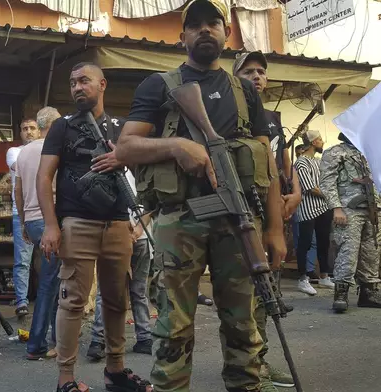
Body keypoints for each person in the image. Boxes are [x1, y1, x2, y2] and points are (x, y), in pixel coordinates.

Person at [115, 0, 287, 390]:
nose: (205, 30)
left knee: (244, 320)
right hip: (180, 218)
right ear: (182, 38)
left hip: (240, 218)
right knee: (173, 324)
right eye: (195, 25)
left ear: (227, 33)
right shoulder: (158, 85)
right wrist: (177, 145)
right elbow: (125, 147)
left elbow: (268, 165)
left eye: (213, 23)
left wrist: (275, 230)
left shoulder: (245, 90)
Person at [38, 62, 152, 392]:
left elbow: (144, 173)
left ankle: (115, 371)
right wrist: (50, 225)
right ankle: (66, 379)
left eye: (84, 81)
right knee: (73, 301)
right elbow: (44, 176)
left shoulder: (122, 128)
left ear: (102, 84)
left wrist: (124, 159)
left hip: (118, 225)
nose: (77, 87)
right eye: (72, 83)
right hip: (77, 224)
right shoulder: (62, 127)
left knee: (117, 300)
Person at [233, 51, 299, 390]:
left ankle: (260, 359)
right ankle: (247, 365)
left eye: (261, 72)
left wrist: (295, 193)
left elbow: (282, 162)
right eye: (249, 71)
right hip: (243, 211)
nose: (256, 76)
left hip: (272, 210)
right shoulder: (227, 110)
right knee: (246, 293)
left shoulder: (272, 117)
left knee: (268, 291)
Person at [86, 168, 153, 361]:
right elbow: (150, 204)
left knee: (112, 292)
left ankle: (99, 340)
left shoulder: (102, 173)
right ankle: (143, 337)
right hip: (127, 237)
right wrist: (138, 231)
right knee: (134, 292)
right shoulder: (138, 170)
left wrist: (137, 231)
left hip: (124, 238)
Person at [15, 107, 62, 360]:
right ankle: (37, 344)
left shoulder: (24, 153)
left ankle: (56, 339)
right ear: (53, 125)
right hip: (51, 220)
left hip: (32, 221)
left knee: (51, 280)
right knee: (49, 283)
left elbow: (18, 192)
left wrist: (23, 223)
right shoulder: (55, 147)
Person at [319, 132, 381, 312]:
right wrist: (336, 208)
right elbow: (327, 183)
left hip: (373, 209)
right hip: (349, 209)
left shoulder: (370, 152)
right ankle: (341, 293)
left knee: (372, 252)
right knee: (348, 251)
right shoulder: (335, 152)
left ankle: (368, 293)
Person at [295, 129, 334, 295]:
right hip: (307, 208)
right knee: (304, 243)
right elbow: (310, 187)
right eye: (319, 139)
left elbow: (326, 182)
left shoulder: (319, 162)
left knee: (324, 242)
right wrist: (330, 194)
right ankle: (302, 279)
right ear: (312, 142)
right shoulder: (301, 162)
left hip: (324, 208)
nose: (322, 142)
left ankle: (324, 276)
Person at [7, 118, 39, 317]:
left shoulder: (45, 150)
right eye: (25, 128)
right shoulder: (14, 152)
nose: (28, 131)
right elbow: (20, 166)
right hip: (21, 212)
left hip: (44, 211)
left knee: (49, 260)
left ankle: (49, 299)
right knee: (22, 261)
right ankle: (21, 301)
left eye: (32, 128)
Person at [292, 145, 319, 282]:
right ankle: (303, 272)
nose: (299, 155)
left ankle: (309, 270)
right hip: (300, 207)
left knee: (312, 241)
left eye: (300, 152)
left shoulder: (314, 163)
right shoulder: (297, 166)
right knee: (301, 240)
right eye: (297, 153)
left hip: (312, 207)